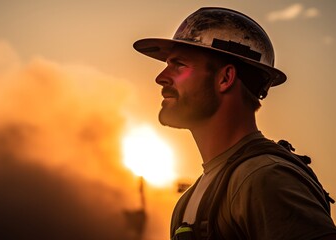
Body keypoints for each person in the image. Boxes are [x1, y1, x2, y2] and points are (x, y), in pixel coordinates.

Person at [133, 7, 336, 240]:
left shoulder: (265, 178)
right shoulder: (188, 201)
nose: (160, 78)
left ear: (225, 78)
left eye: (178, 65)